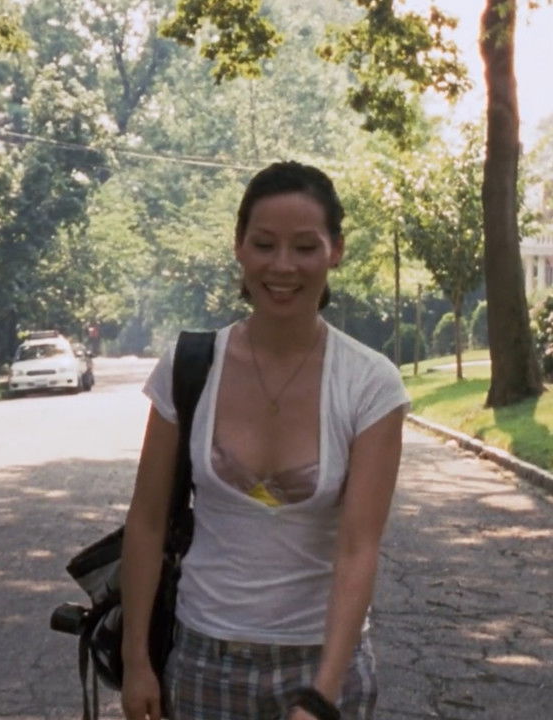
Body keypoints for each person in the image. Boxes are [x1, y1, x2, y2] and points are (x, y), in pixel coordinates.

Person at [118, 161, 408, 720]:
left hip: (323, 665)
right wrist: (136, 660)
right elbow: (147, 521)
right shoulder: (189, 365)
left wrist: (322, 696)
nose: (283, 266)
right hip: (202, 662)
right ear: (239, 247)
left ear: (336, 251)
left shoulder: (370, 383)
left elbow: (358, 549)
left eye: (305, 246)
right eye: (265, 244)